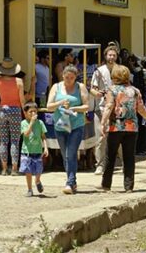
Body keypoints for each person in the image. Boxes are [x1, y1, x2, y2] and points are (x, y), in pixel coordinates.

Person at [99, 65, 146, 192]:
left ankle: (106, 185)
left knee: (110, 156)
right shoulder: (135, 91)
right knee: (129, 157)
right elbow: (141, 109)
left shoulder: (111, 90)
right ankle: (128, 186)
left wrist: (103, 123)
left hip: (115, 127)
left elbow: (109, 106)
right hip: (132, 128)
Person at [47, 65, 90, 194]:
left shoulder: (80, 87)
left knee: (70, 153)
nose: (69, 80)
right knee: (65, 155)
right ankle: (72, 181)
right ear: (63, 76)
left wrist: (74, 108)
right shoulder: (56, 87)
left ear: (76, 77)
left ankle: (69, 183)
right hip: (60, 125)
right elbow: (49, 106)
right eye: (67, 77)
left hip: (76, 125)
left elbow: (86, 105)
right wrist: (60, 103)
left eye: (72, 78)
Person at [0, 57, 25, 176]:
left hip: (2, 109)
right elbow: (22, 99)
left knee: (3, 141)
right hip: (15, 110)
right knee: (15, 141)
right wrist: (25, 112)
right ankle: (14, 168)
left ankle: (4, 169)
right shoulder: (19, 81)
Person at [90, 45, 118, 175]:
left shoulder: (121, 70)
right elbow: (92, 88)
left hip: (118, 108)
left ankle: (124, 163)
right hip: (101, 107)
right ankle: (100, 164)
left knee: (120, 135)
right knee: (101, 137)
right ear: (105, 56)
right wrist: (98, 94)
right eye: (109, 55)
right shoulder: (99, 71)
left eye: (113, 55)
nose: (111, 57)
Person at [19, 102, 49, 197]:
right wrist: (31, 123)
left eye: (35, 111)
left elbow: (43, 136)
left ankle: (37, 180)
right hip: (26, 152)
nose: (33, 114)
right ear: (25, 113)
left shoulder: (40, 123)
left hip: (37, 151)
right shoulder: (23, 123)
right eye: (30, 112)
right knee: (28, 171)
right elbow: (26, 134)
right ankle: (29, 189)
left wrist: (46, 148)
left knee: (38, 170)